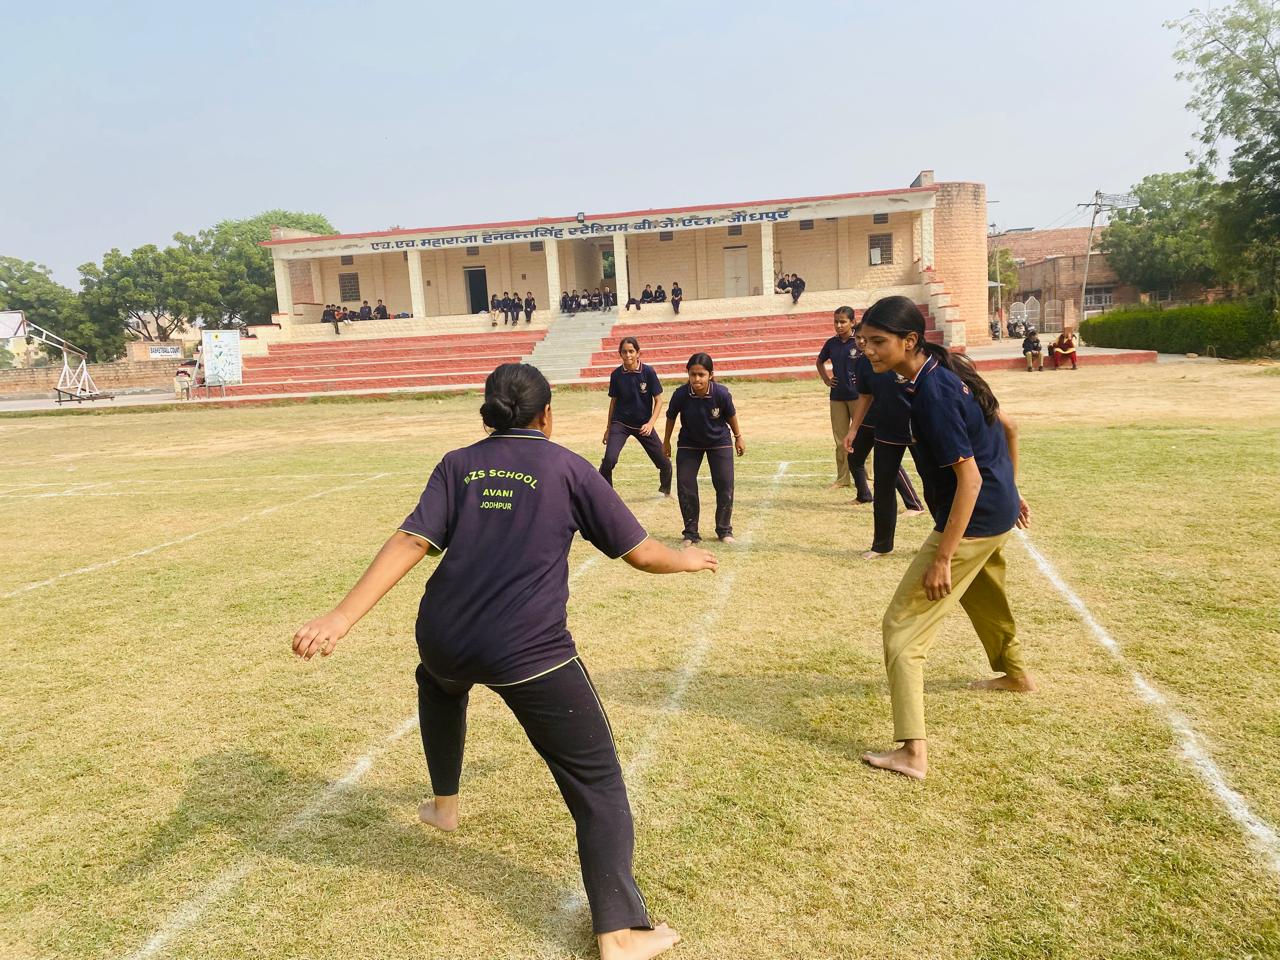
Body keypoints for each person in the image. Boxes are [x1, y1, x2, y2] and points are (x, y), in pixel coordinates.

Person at [291, 363, 705, 960]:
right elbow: (640, 554)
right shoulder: (567, 466)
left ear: (486, 414)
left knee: (437, 685)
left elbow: (412, 540)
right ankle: (620, 932)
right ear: (547, 415)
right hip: (528, 651)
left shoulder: (459, 463)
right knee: (597, 780)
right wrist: (685, 559)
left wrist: (339, 618)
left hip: (443, 636)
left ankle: (444, 807)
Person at [853, 296, 1035, 781]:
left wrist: (943, 558)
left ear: (909, 341)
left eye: (878, 342)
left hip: (973, 520)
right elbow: (1009, 428)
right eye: (864, 341)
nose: (868, 350)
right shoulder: (944, 367)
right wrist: (1011, 493)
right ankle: (1015, 674)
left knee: (901, 629)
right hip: (994, 516)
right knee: (986, 596)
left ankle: (913, 752)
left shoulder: (934, 393)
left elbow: (969, 480)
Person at [841, 323, 927, 559]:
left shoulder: (914, 361)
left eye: (873, 340)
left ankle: (945, 539)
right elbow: (865, 396)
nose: (866, 346)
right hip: (886, 430)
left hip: (918, 430)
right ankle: (881, 545)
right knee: (883, 487)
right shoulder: (865, 364)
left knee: (934, 483)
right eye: (863, 340)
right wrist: (853, 429)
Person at [662, 353, 745, 545]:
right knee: (686, 485)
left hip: (719, 441)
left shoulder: (721, 393)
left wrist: (738, 437)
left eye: (701, 374)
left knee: (725, 484)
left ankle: (724, 530)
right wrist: (665, 441)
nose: (697, 379)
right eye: (693, 374)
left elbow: (731, 415)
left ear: (711, 375)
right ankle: (690, 533)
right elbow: (671, 417)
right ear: (688, 374)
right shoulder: (681, 394)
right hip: (689, 442)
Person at [600, 337, 673, 496]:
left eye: (631, 351)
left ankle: (666, 491)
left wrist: (650, 423)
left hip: (643, 425)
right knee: (609, 460)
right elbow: (613, 403)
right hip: (621, 424)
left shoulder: (648, 372)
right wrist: (608, 428)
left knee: (665, 463)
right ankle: (606, 493)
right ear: (620, 354)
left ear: (638, 353)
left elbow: (659, 400)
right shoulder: (616, 375)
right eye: (624, 352)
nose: (628, 355)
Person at [816, 306, 871, 496]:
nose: (838, 325)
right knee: (840, 440)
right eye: (836, 322)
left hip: (859, 397)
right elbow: (819, 361)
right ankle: (843, 478)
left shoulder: (860, 342)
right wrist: (826, 379)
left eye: (843, 322)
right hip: (837, 397)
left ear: (852, 323)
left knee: (863, 437)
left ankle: (867, 477)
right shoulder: (831, 344)